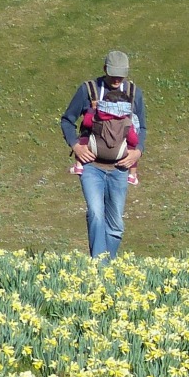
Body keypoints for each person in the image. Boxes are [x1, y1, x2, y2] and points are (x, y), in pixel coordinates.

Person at [61, 51, 145, 260]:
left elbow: (141, 126)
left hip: (120, 168)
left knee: (116, 224)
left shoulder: (135, 93)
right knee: (96, 214)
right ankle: (99, 266)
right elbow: (67, 120)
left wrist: (138, 152)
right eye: (113, 74)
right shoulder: (88, 90)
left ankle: (108, 264)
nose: (117, 80)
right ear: (104, 69)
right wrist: (76, 146)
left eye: (121, 75)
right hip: (92, 167)